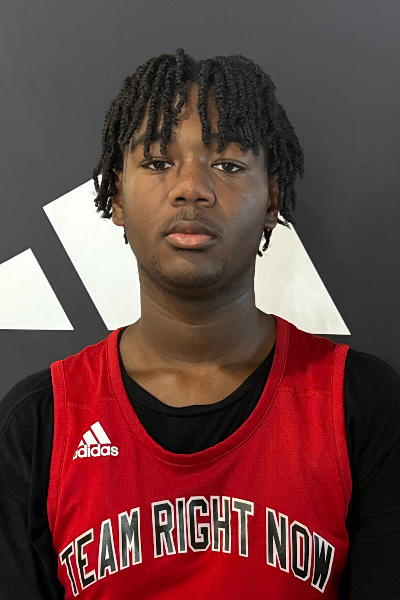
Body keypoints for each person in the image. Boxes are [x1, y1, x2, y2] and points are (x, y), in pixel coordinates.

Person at [0, 48, 400, 600]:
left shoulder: (362, 404)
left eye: (228, 165)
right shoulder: (37, 422)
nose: (191, 188)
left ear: (272, 198)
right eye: (157, 163)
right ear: (116, 197)